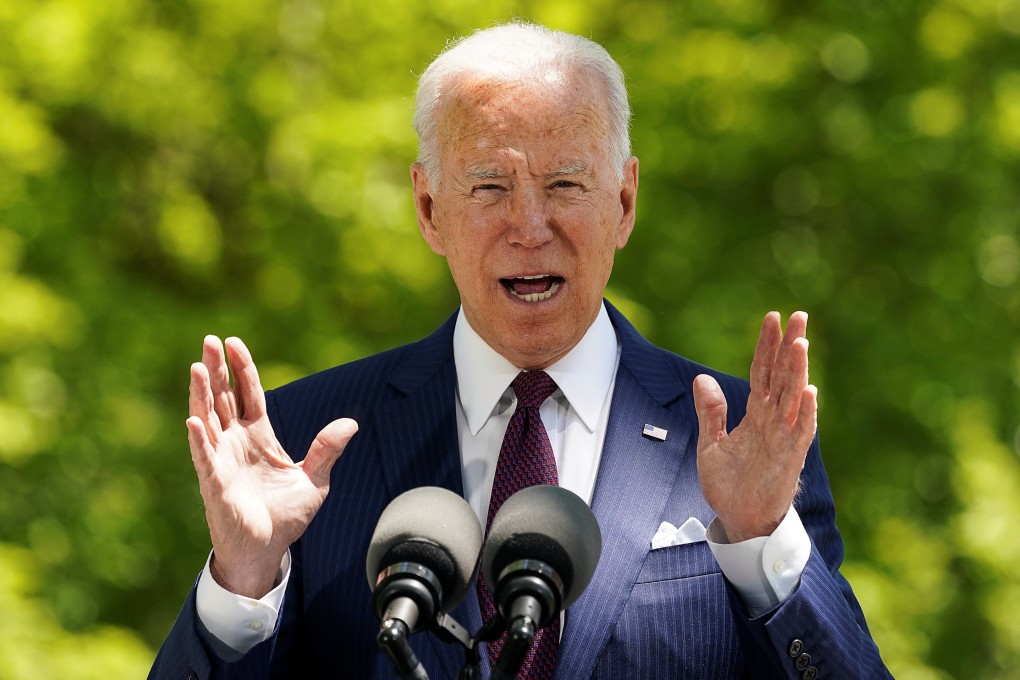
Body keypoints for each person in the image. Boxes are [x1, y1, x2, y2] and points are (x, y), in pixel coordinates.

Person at [150, 22, 891, 680]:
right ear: (430, 209)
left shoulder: (740, 441)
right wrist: (242, 581)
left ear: (624, 203)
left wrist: (764, 546)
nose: (530, 226)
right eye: (490, 187)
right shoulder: (304, 444)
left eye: (566, 182)